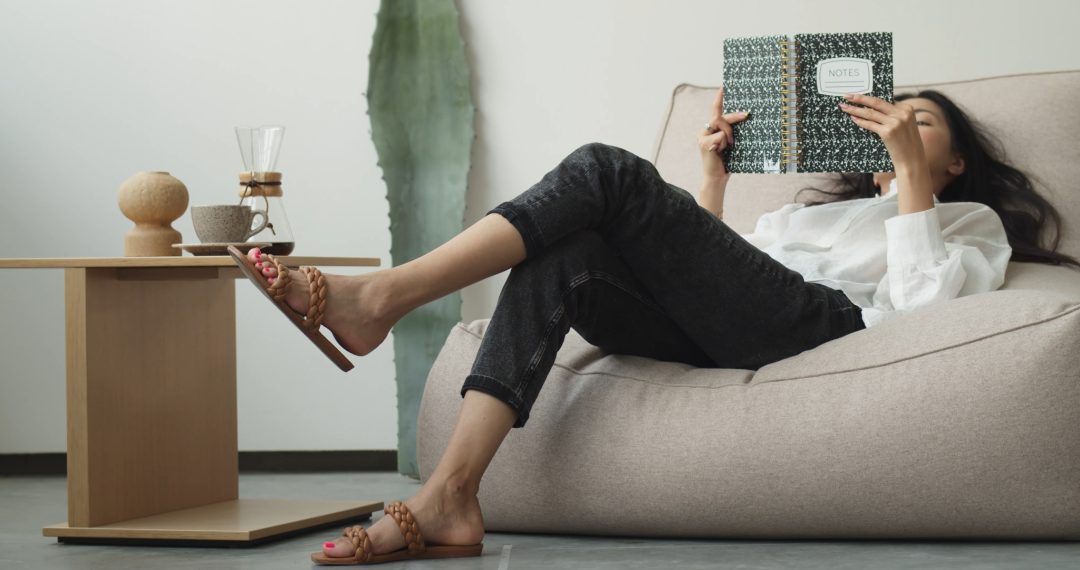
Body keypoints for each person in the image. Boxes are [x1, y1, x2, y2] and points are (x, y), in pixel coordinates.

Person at [239, 86, 1078, 564]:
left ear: (957, 158)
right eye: (892, 115)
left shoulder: (969, 222)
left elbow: (924, 310)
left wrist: (909, 175)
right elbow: (725, 265)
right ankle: (452, 496)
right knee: (565, 254)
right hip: (756, 309)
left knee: (606, 169)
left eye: (920, 120)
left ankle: (382, 298)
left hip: (829, 325)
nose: (898, 121)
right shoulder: (817, 215)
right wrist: (709, 180)